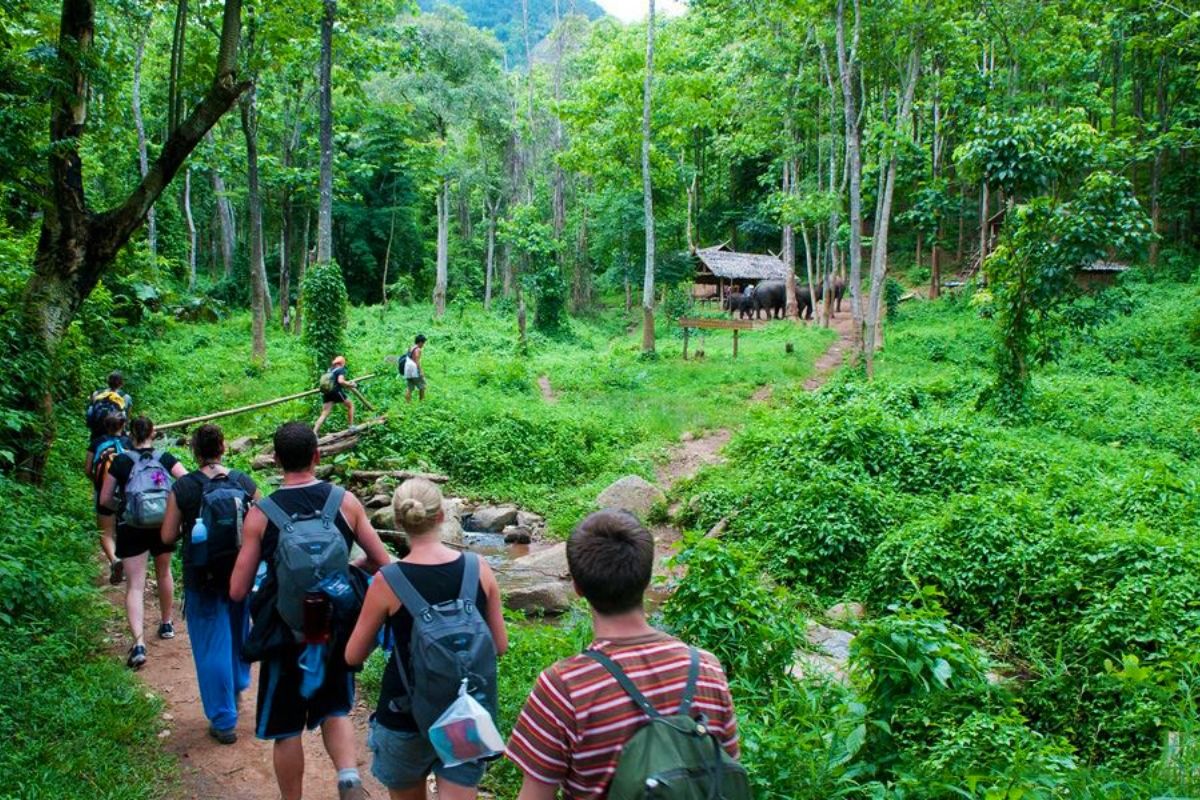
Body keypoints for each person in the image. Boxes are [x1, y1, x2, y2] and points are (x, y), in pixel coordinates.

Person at [506, 510, 741, 799]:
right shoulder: (707, 668)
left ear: (577, 588)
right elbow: (727, 769)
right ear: (647, 577)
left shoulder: (563, 687)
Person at [229, 421, 392, 800]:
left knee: (286, 729)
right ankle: (349, 778)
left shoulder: (262, 514)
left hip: (286, 636)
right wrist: (349, 570)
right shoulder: (345, 502)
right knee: (335, 708)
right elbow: (381, 560)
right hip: (334, 630)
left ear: (277, 461)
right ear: (317, 456)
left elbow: (238, 590)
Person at [345, 478, 508, 800]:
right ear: (442, 517)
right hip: (465, 710)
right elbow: (498, 646)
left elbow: (353, 656)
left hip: (403, 712)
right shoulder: (479, 568)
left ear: (398, 520)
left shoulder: (387, 581)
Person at [161, 424, 260, 745]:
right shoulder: (242, 481)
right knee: (237, 632)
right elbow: (266, 519)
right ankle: (237, 683)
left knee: (211, 645)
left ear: (194, 451)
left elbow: (166, 536)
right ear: (223, 446)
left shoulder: (185, 488)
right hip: (240, 573)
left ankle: (224, 719)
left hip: (201, 577)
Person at [100, 416, 187, 670]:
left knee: (135, 586)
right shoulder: (165, 458)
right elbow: (186, 481)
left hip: (132, 527)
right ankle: (167, 623)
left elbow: (105, 499)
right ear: (154, 432)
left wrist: (125, 508)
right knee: (164, 572)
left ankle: (138, 644)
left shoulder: (122, 460)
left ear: (130, 434)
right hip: (164, 524)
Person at [86, 412, 130, 584]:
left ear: (105, 425)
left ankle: (114, 560)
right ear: (123, 425)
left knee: (105, 532)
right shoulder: (130, 443)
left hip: (104, 494)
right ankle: (127, 563)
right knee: (125, 530)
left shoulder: (96, 443)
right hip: (126, 495)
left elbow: (88, 470)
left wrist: (99, 485)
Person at [315, 355, 356, 435]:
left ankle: (314, 432)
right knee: (351, 405)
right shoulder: (340, 369)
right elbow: (340, 381)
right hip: (336, 392)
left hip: (327, 392)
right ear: (342, 363)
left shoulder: (329, 370)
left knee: (324, 413)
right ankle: (351, 427)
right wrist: (351, 384)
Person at [403, 335, 426, 403]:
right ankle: (422, 403)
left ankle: (407, 404)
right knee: (422, 386)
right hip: (414, 370)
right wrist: (421, 371)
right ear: (420, 342)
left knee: (409, 388)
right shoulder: (418, 349)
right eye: (423, 343)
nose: (423, 345)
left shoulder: (411, 348)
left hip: (408, 370)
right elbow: (417, 361)